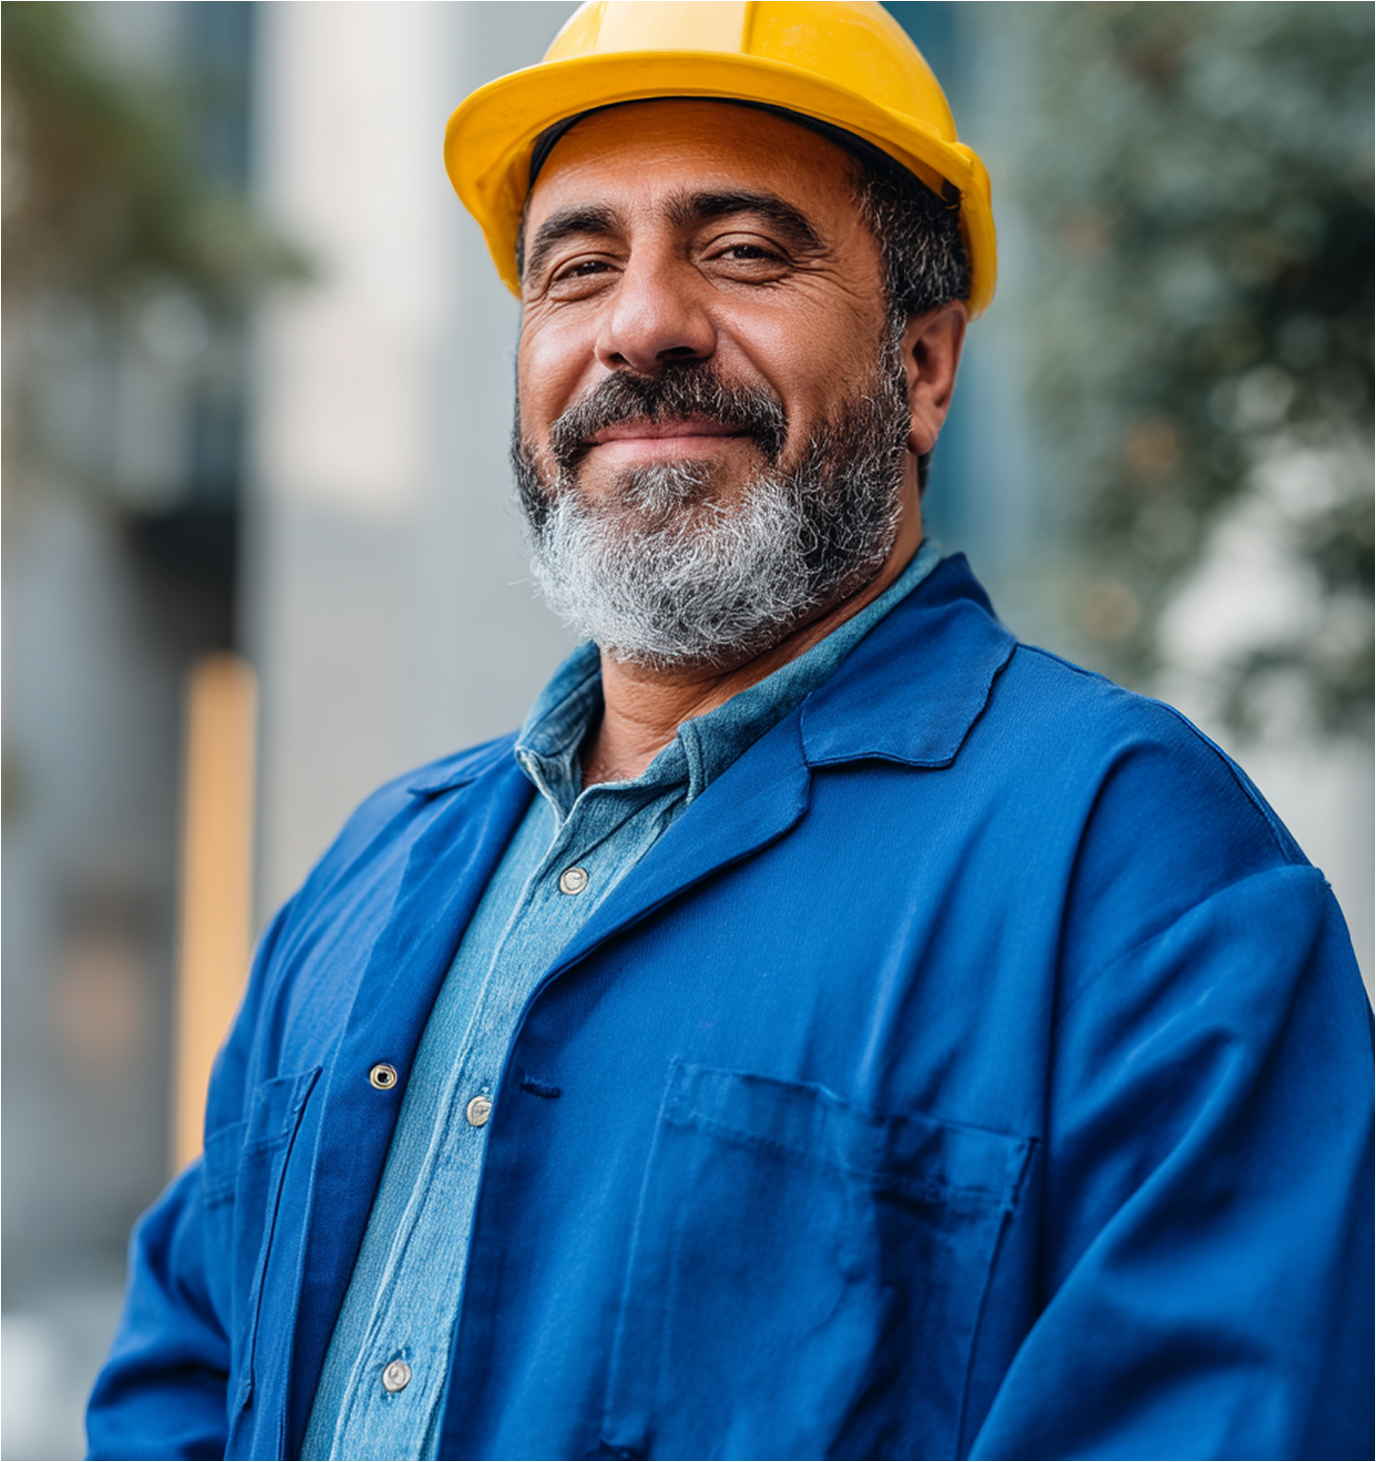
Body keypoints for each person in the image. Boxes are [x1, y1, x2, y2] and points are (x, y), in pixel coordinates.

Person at [87, 4, 1373, 1460]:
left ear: (927, 363)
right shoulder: (373, 870)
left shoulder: (1136, 865)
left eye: (745, 252)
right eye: (577, 269)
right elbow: (185, 1374)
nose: (640, 324)